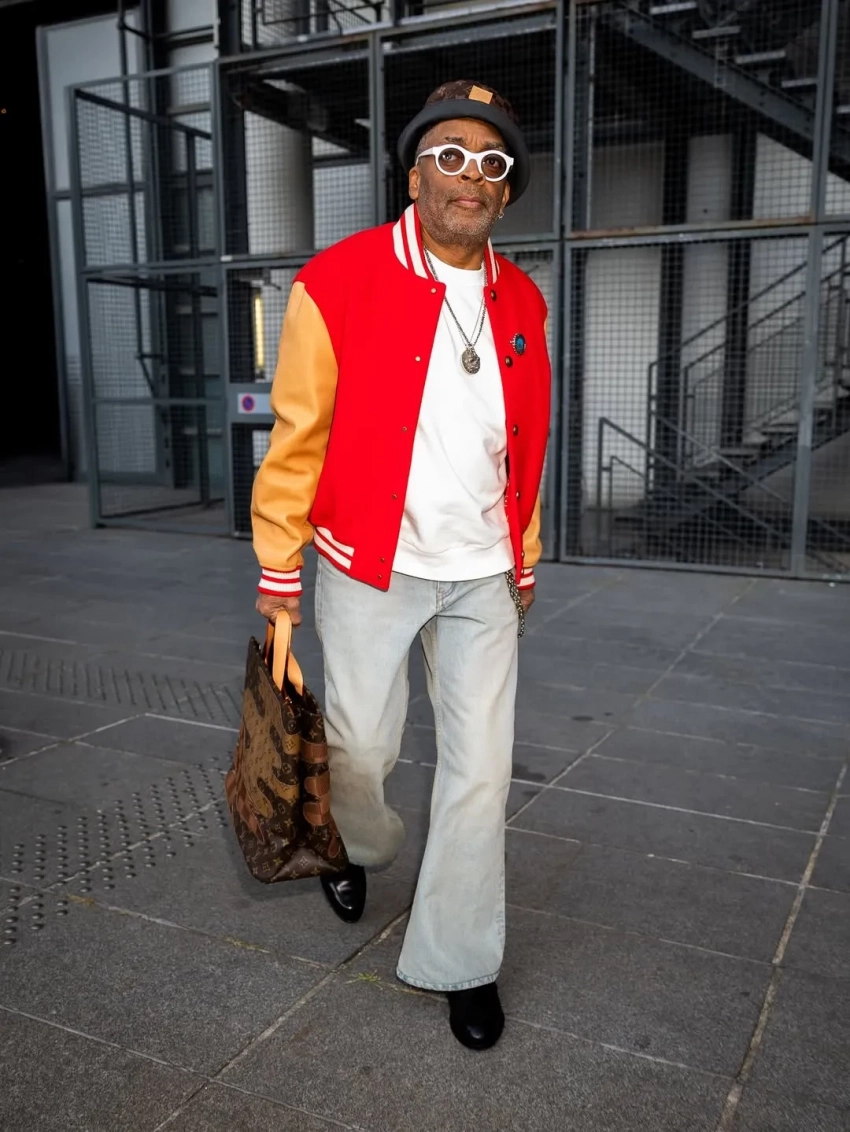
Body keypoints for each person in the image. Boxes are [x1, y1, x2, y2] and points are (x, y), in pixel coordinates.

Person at [252, 79, 551, 1050]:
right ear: (413, 172)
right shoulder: (335, 281)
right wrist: (279, 568)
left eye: (492, 163)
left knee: (480, 774)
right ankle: (353, 841)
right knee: (360, 751)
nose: (471, 175)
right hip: (367, 563)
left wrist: (523, 555)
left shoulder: (524, 300)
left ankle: (461, 959)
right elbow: (297, 437)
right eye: (450, 155)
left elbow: (524, 443)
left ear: (505, 192)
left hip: (482, 573)